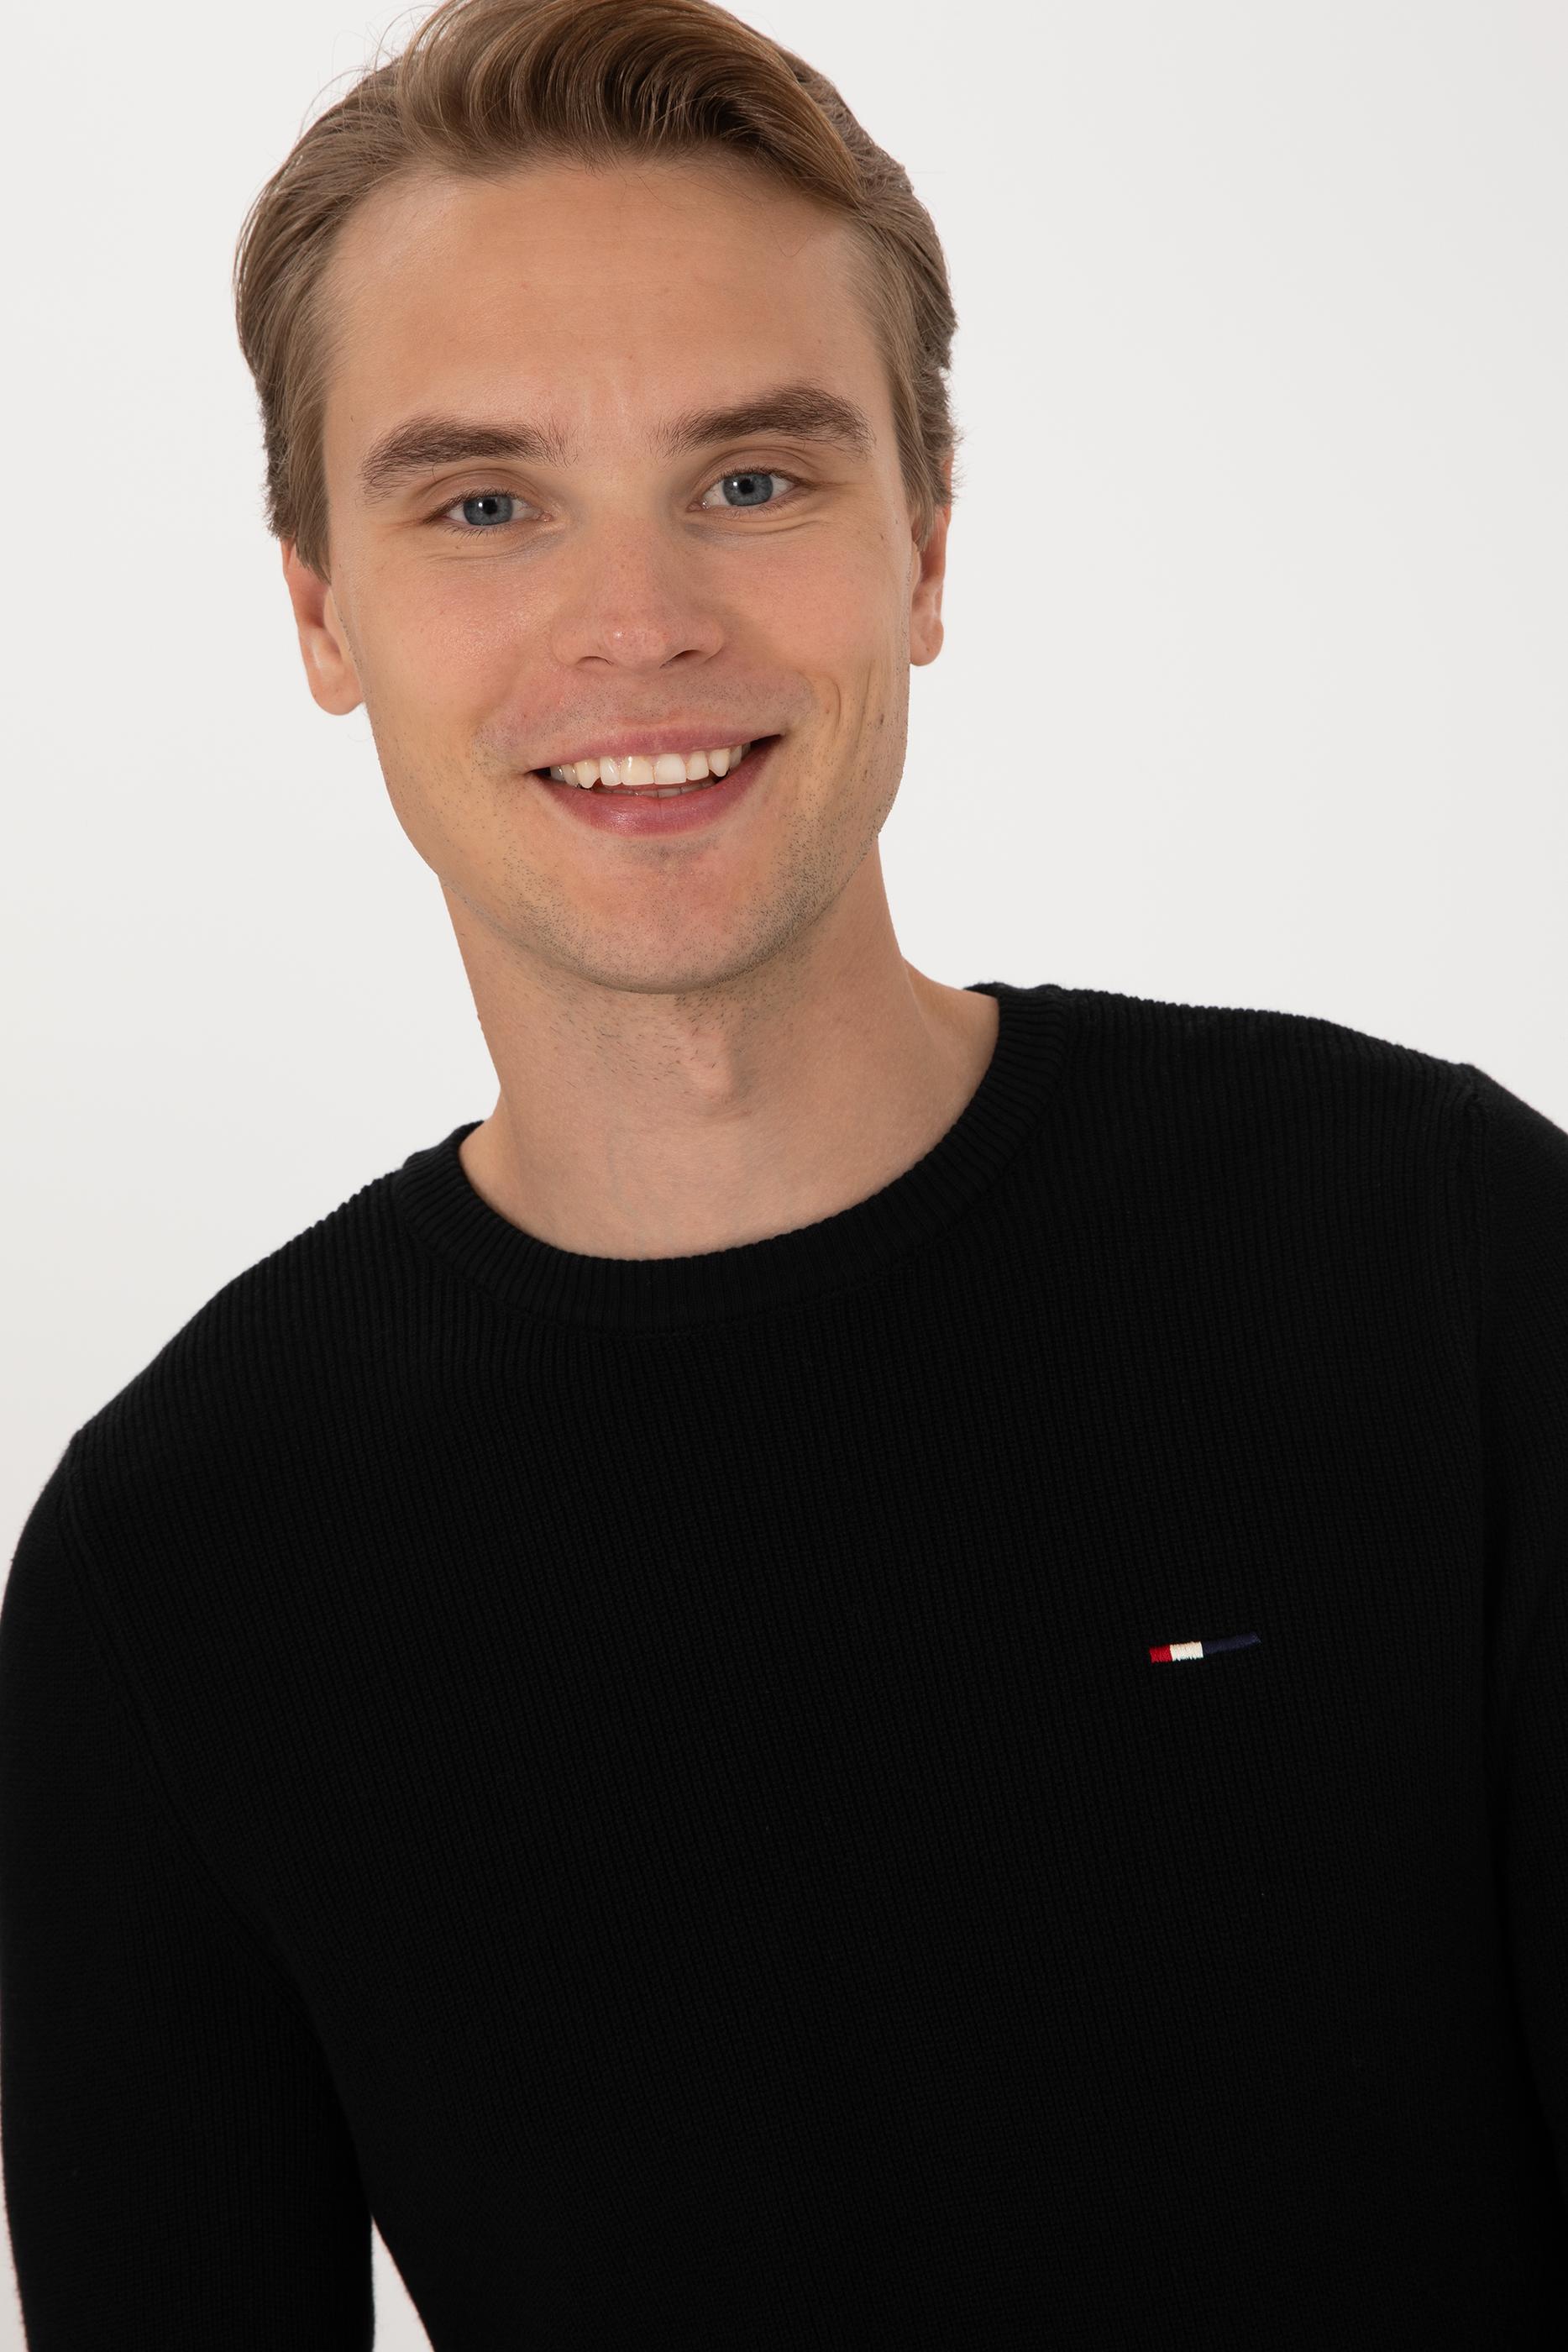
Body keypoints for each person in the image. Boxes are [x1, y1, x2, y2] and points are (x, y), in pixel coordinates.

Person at [3, 0, 1565, 2340]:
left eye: (750, 479)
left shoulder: (1429, 1257)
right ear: (321, 610)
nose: (638, 625)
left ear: (922, 549)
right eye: (482, 502)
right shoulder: (179, 1568)